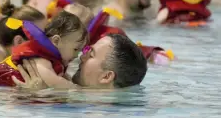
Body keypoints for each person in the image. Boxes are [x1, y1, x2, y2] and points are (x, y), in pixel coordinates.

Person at [0, 10, 88, 89]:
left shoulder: (52, 59)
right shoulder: (41, 59)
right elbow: (55, 82)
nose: (77, 55)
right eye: (75, 49)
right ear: (56, 41)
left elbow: (60, 78)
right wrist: (77, 89)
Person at [13, 33, 148, 90]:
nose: (81, 56)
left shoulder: (90, 112)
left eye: (91, 55)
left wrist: (34, 96)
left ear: (106, 76)